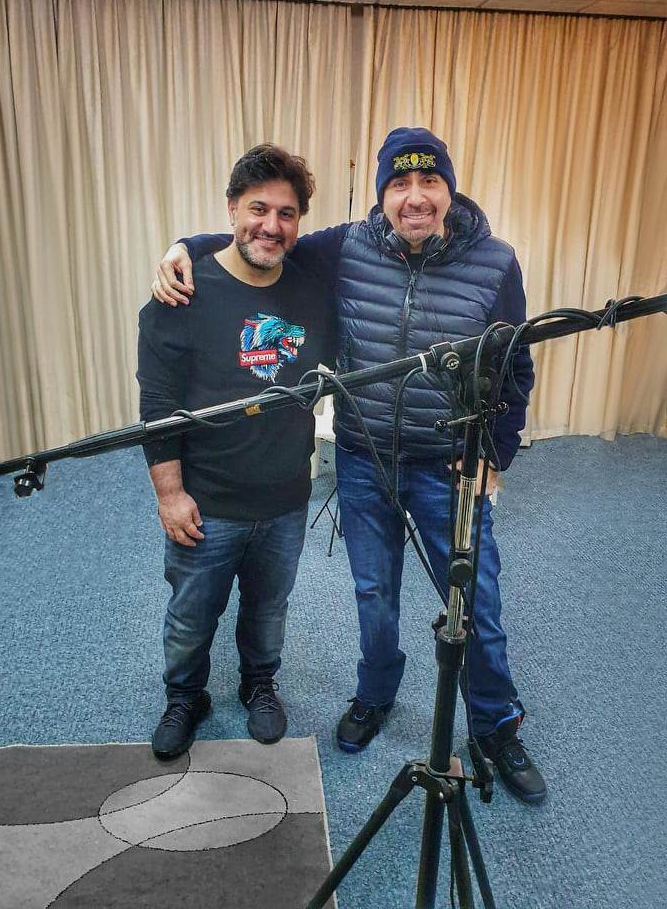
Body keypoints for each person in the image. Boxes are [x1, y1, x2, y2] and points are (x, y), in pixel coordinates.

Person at [150, 127, 546, 804]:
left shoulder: (495, 262)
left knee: (476, 599)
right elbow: (264, 239)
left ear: (449, 190)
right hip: (365, 460)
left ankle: (496, 725)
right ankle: (376, 694)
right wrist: (184, 245)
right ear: (382, 194)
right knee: (374, 593)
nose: (415, 197)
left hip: (447, 466)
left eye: (429, 182)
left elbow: (516, 367)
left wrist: (495, 454)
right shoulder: (347, 248)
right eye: (400, 183)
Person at [137, 144, 335, 760]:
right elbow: (158, 405)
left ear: (299, 222)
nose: (271, 225)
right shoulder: (181, 296)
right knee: (191, 613)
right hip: (207, 499)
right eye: (257, 209)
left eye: (286, 213)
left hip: (285, 496)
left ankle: (259, 684)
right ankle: (184, 696)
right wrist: (170, 494)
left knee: (269, 608)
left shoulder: (313, 294)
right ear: (231, 208)